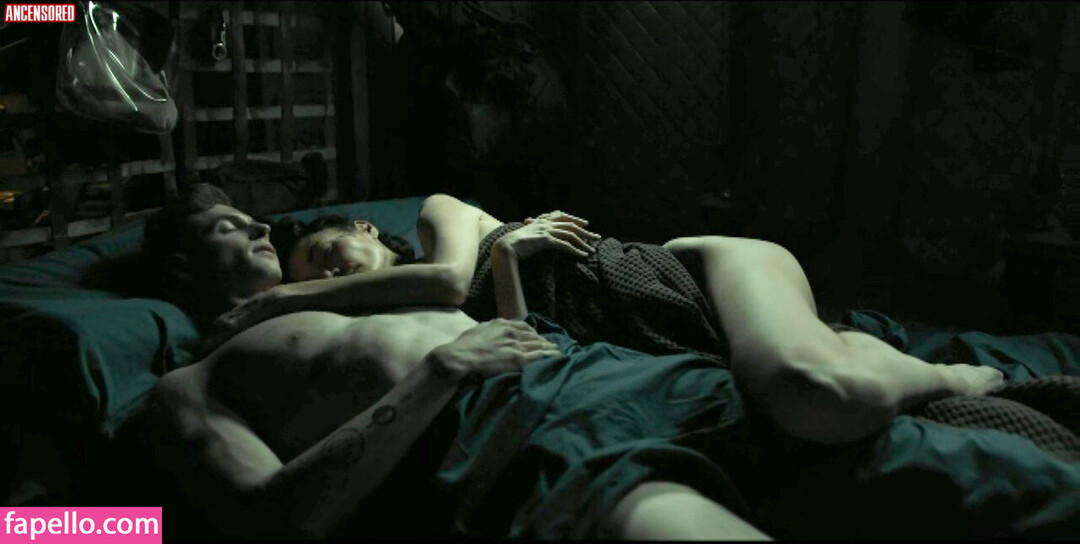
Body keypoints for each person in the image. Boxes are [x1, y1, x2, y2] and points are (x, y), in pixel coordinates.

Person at [134, 183, 774, 540]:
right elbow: (271, 520)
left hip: (596, 366)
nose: (262, 229)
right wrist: (439, 372)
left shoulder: (363, 290)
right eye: (227, 227)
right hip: (511, 429)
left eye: (254, 220)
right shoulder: (188, 385)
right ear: (180, 269)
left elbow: (471, 299)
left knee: (802, 428)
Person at [207, 193, 1004, 445]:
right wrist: (509, 262)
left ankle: (953, 377)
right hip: (671, 340)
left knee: (810, 392)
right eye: (314, 275)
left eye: (327, 251)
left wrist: (280, 297)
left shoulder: (437, 218)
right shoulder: (410, 315)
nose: (329, 273)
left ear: (366, 228)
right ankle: (848, 344)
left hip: (698, 273)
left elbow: (451, 281)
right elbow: (533, 344)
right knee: (798, 389)